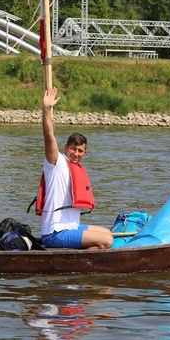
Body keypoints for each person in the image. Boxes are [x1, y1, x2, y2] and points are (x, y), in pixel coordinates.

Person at [37, 87, 113, 249]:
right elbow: (49, 137)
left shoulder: (76, 169)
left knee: (107, 233)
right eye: (73, 149)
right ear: (66, 147)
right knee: (107, 242)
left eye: (80, 151)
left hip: (70, 227)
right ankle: (79, 265)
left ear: (85, 152)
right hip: (55, 233)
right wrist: (46, 108)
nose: (76, 154)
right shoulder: (56, 163)